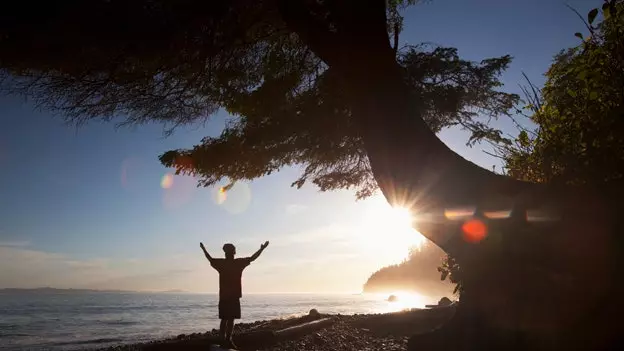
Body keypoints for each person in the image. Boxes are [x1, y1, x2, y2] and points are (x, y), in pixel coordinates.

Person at [200, 241, 269, 349]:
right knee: (230, 319)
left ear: (225, 252)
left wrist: (203, 249)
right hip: (233, 296)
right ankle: (227, 340)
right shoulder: (238, 263)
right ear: (233, 252)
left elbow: (210, 259)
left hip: (225, 296)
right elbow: (252, 258)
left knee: (225, 319)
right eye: (234, 250)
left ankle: (224, 340)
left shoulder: (223, 263)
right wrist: (262, 249)